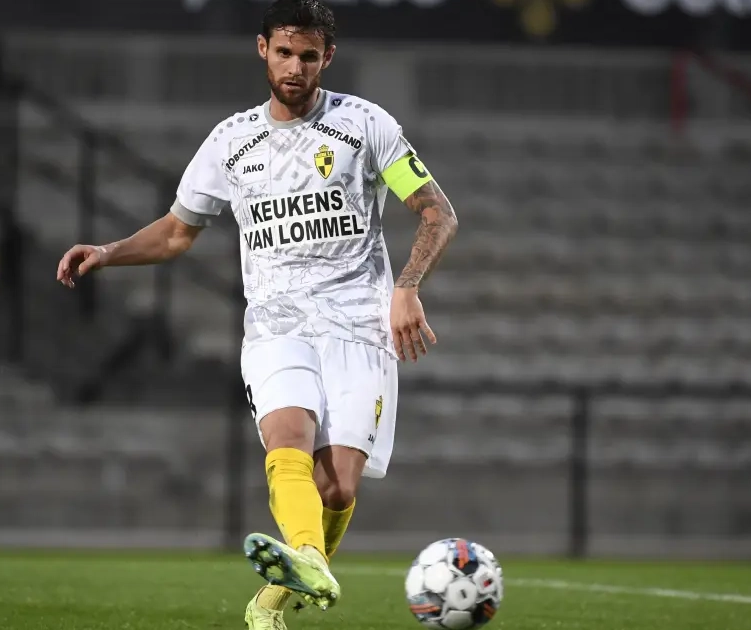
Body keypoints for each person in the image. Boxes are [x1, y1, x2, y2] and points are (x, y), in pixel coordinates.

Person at [55, 0, 458, 627]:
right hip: (276, 327)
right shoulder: (231, 140)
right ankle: (303, 567)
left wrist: (407, 287)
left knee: (337, 487)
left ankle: (278, 593)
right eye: (284, 52)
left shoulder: (365, 125)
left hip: (358, 324)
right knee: (287, 436)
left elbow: (438, 213)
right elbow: (177, 232)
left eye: (309, 56)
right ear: (263, 49)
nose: (295, 67)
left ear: (328, 58)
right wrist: (109, 252)